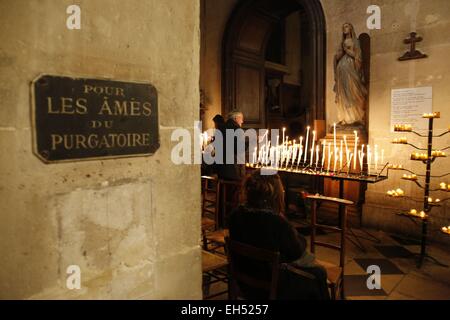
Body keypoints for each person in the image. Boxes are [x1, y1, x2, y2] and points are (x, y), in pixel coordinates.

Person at [229, 170, 330, 300]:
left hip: (245, 281)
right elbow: (297, 253)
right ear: (275, 194)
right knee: (319, 273)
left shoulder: (235, 215)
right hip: (272, 285)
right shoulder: (276, 222)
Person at [333, 22, 367, 126]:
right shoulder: (341, 42)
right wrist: (339, 54)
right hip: (341, 70)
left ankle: (355, 117)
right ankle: (344, 117)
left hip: (351, 68)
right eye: (343, 27)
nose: (344, 29)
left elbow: (358, 57)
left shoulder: (355, 41)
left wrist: (347, 51)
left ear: (351, 28)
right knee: (343, 94)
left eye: (346, 27)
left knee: (353, 92)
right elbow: (337, 58)